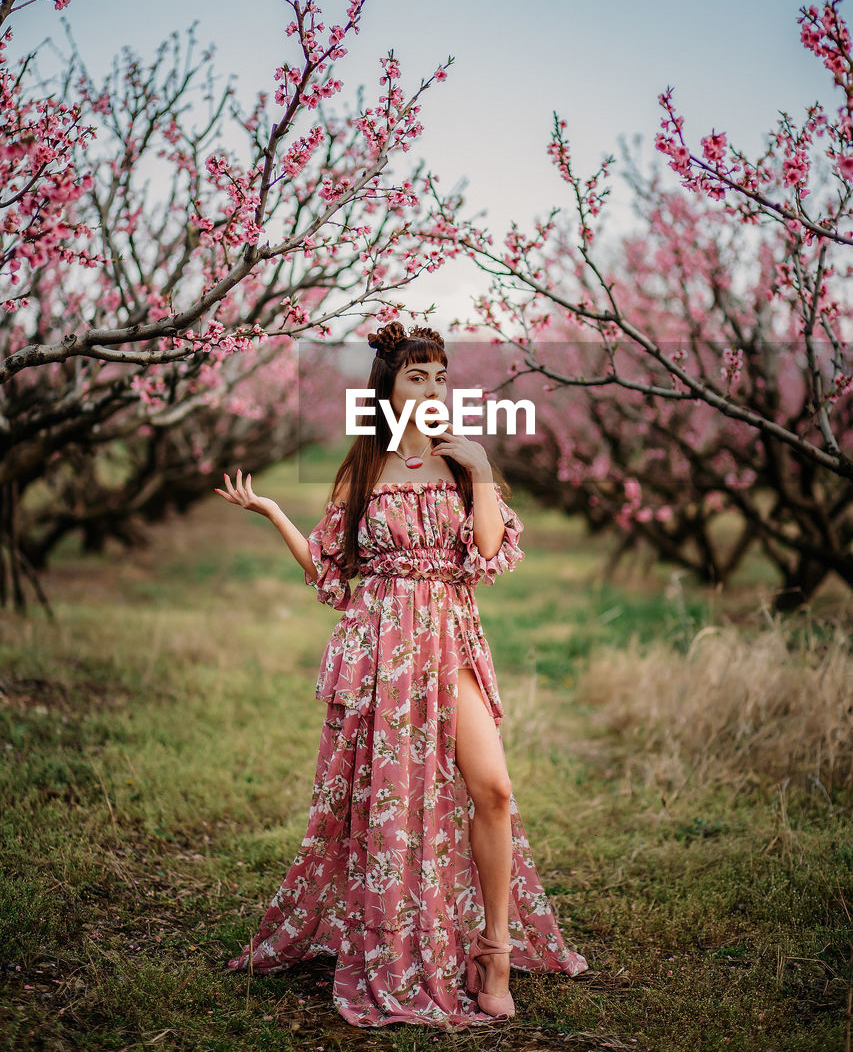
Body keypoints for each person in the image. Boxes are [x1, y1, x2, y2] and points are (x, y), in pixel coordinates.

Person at [215, 322, 588, 1028]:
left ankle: (495, 950)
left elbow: (485, 553)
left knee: (495, 788)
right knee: (387, 807)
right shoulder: (363, 473)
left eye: (440, 375)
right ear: (387, 388)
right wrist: (270, 513)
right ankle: (396, 938)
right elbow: (329, 570)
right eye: (417, 375)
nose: (432, 387)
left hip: (449, 639)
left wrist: (477, 466)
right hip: (381, 648)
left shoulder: (458, 464)